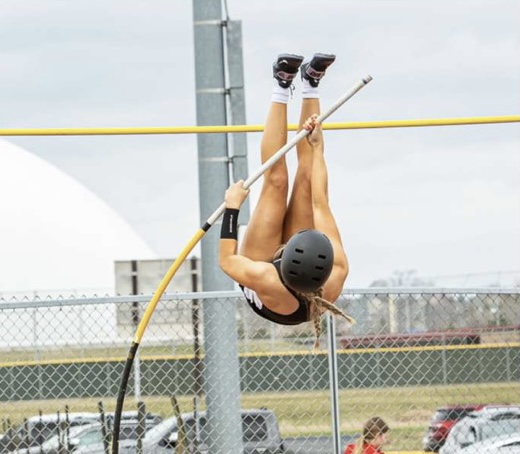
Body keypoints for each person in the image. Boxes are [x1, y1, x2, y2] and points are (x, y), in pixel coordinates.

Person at [219, 52, 355, 348]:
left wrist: (233, 207)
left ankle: (281, 84)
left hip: (271, 292)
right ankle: (310, 83)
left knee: (276, 182)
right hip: (290, 283)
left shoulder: (266, 276)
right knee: (306, 178)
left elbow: (227, 260)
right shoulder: (338, 266)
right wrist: (316, 148)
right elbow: (321, 200)